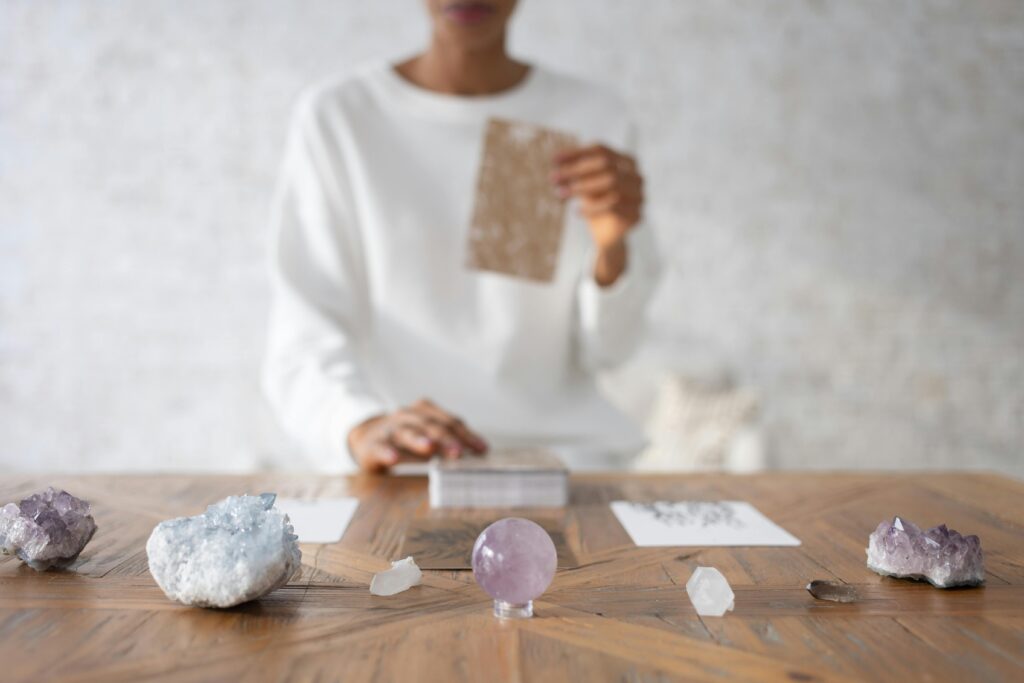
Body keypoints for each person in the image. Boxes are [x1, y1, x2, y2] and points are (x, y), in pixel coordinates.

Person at [263, 0, 660, 473]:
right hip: (406, 466)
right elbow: (305, 330)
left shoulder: (592, 116)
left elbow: (612, 350)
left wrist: (611, 251)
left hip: (569, 462)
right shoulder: (341, 119)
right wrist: (360, 425)